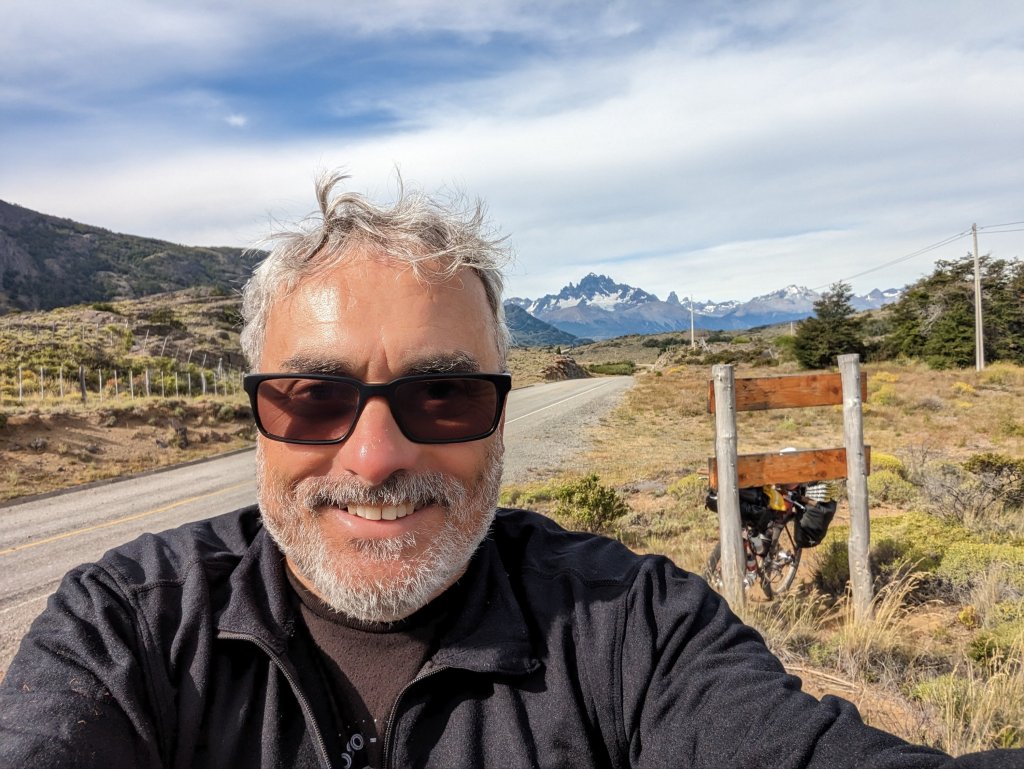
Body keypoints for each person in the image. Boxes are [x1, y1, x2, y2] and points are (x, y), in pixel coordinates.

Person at [0, 173, 1019, 769]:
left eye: (443, 394)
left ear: (499, 413)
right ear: (257, 415)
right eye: (314, 396)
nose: (375, 456)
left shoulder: (630, 627)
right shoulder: (127, 628)